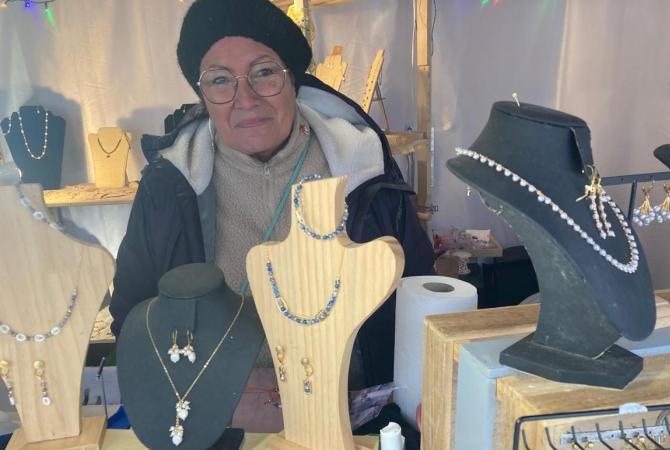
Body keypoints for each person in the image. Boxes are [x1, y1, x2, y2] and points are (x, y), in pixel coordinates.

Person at [109, 0, 434, 388]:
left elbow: (419, 298)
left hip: (350, 415)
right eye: (219, 80)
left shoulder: (364, 171)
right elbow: (133, 315)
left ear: (292, 81)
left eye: (263, 72)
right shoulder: (169, 187)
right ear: (202, 94)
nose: (245, 99)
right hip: (219, 424)